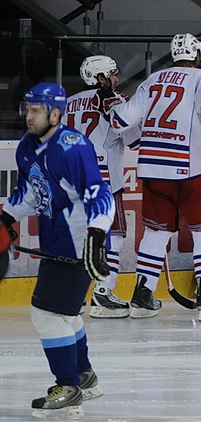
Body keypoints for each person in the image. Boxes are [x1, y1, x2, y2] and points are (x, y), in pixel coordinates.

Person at [95, 33, 201, 321]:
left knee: (156, 232)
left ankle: (143, 293)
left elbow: (120, 121)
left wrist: (110, 104)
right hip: (190, 169)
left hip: (152, 169)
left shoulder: (152, 80)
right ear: (198, 55)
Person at [0, 82, 114, 418]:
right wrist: (6, 217)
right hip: (56, 241)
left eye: (35, 110)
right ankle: (84, 375)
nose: (28, 116)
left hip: (79, 243)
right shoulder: (27, 146)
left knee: (46, 314)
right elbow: (31, 192)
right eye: (27, 109)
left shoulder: (71, 147)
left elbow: (98, 192)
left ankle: (68, 386)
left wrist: (96, 235)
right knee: (63, 314)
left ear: (55, 113)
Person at [63, 55, 141, 319]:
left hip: (71, 177)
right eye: (112, 74)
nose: (116, 79)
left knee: (78, 238)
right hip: (103, 178)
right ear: (100, 77)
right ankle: (103, 294)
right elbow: (134, 139)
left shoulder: (68, 102)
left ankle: (70, 296)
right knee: (114, 235)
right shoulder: (115, 101)